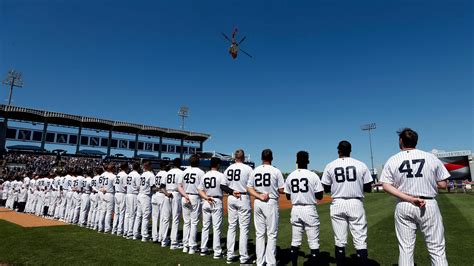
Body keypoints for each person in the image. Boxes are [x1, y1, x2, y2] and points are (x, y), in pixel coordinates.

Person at [380, 128, 449, 266]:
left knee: (406, 249)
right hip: (427, 203)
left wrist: (410, 198)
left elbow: (386, 185)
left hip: (404, 204)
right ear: (416, 141)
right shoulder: (431, 157)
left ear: (401, 141)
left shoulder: (393, 159)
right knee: (437, 249)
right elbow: (443, 184)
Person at [321, 140, 373, 266]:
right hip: (355, 203)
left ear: (338, 150)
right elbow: (368, 188)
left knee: (339, 240)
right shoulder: (360, 164)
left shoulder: (330, 165)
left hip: (337, 203)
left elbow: (326, 188)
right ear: (350, 150)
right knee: (360, 240)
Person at [284, 151, 324, 265]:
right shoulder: (313, 175)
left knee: (295, 241)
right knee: (313, 242)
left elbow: (287, 196)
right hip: (309, 209)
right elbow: (320, 196)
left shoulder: (291, 175)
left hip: (295, 209)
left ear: (296, 161)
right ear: (308, 161)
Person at [247, 149, 285, 266]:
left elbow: (249, 188)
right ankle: (270, 262)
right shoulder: (276, 171)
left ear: (261, 158)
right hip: (270, 202)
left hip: (258, 202)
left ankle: (260, 262)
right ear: (272, 158)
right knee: (272, 234)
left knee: (259, 234)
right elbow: (281, 190)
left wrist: (259, 195)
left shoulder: (255, 171)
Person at [198, 157, 237, 259]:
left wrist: (206, 197)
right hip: (216, 201)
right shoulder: (221, 175)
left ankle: (203, 249)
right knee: (216, 228)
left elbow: (200, 190)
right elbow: (225, 187)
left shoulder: (205, 175)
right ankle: (217, 252)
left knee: (205, 227)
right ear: (218, 165)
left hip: (206, 201)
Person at [224, 149, 253, 264]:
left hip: (231, 198)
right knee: (244, 229)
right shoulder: (248, 168)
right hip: (243, 197)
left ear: (234, 158)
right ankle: (243, 257)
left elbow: (223, 185)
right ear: (244, 157)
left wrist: (231, 191)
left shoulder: (229, 168)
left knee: (231, 227)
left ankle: (230, 255)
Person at [178, 154, 205, 254]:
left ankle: (185, 246)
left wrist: (185, 195)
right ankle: (192, 247)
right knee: (193, 222)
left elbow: (179, 187)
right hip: (195, 197)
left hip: (185, 197)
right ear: (198, 162)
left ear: (189, 162)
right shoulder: (201, 172)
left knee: (186, 222)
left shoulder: (184, 171)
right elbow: (203, 188)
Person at [159, 158, 184, 249]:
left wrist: (166, 193)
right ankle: (173, 243)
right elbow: (181, 186)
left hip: (167, 195)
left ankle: (164, 241)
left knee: (166, 219)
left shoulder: (168, 172)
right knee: (175, 219)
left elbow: (161, 187)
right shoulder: (181, 172)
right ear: (180, 164)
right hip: (176, 195)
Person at [133, 160, 153, 242]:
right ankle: (144, 235)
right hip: (145, 196)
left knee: (138, 215)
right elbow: (153, 187)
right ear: (149, 166)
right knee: (145, 216)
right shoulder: (151, 175)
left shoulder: (142, 174)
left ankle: (135, 234)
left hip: (140, 195)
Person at [150, 161, 167, 244]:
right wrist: (161, 190)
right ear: (165, 166)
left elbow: (153, 188)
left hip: (154, 196)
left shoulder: (157, 174)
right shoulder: (165, 174)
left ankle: (154, 237)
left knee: (154, 218)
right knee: (163, 217)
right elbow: (163, 187)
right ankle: (160, 238)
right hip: (161, 195)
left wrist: (158, 189)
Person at [124, 162, 140, 239]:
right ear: (138, 167)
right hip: (133, 195)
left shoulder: (129, 174)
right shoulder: (137, 175)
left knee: (127, 213)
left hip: (128, 194)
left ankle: (126, 231)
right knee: (132, 214)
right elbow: (138, 187)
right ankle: (130, 232)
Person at [98, 163, 115, 233]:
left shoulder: (104, 176)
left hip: (103, 193)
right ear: (113, 169)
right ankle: (107, 228)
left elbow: (100, 185)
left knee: (103, 211)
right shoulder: (113, 176)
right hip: (109, 194)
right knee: (109, 212)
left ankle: (100, 227)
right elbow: (115, 186)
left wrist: (102, 189)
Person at [112, 162, 128, 236]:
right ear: (125, 167)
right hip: (122, 194)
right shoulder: (125, 175)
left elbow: (114, 185)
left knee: (116, 213)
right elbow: (126, 186)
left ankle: (114, 229)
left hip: (116, 193)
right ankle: (119, 230)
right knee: (122, 213)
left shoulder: (117, 175)